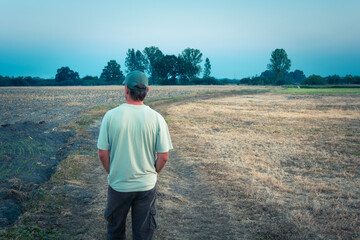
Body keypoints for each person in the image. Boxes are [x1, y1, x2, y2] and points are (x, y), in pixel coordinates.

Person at [97, 71, 173, 240]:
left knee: (115, 231)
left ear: (126, 89)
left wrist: (112, 172)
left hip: (118, 185)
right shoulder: (157, 118)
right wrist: (153, 171)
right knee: (143, 233)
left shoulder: (110, 116)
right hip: (146, 186)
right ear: (147, 91)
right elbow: (164, 156)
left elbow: (102, 153)